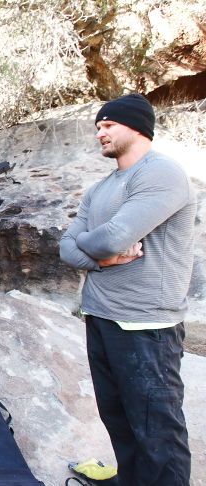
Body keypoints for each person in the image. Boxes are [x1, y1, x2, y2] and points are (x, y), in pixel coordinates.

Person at [59, 93, 196, 485]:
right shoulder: (100, 188)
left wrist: (100, 247)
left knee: (157, 429)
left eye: (107, 125)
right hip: (100, 315)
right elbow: (67, 248)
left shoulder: (161, 174)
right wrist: (102, 259)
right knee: (117, 415)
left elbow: (110, 237)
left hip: (146, 324)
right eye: (98, 126)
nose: (99, 133)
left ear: (136, 126)